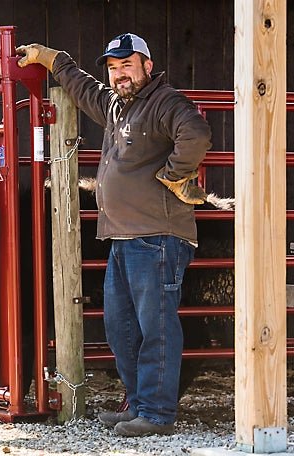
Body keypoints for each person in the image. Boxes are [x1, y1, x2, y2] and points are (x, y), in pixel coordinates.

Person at [17, 33, 212, 437]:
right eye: (114, 67)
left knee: (156, 327)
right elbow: (85, 88)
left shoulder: (165, 102)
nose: (120, 73)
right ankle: (138, 405)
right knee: (120, 328)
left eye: (128, 65)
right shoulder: (118, 106)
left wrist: (174, 175)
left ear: (147, 65)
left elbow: (196, 133)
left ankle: (157, 416)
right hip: (123, 238)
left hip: (157, 238)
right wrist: (54, 59)